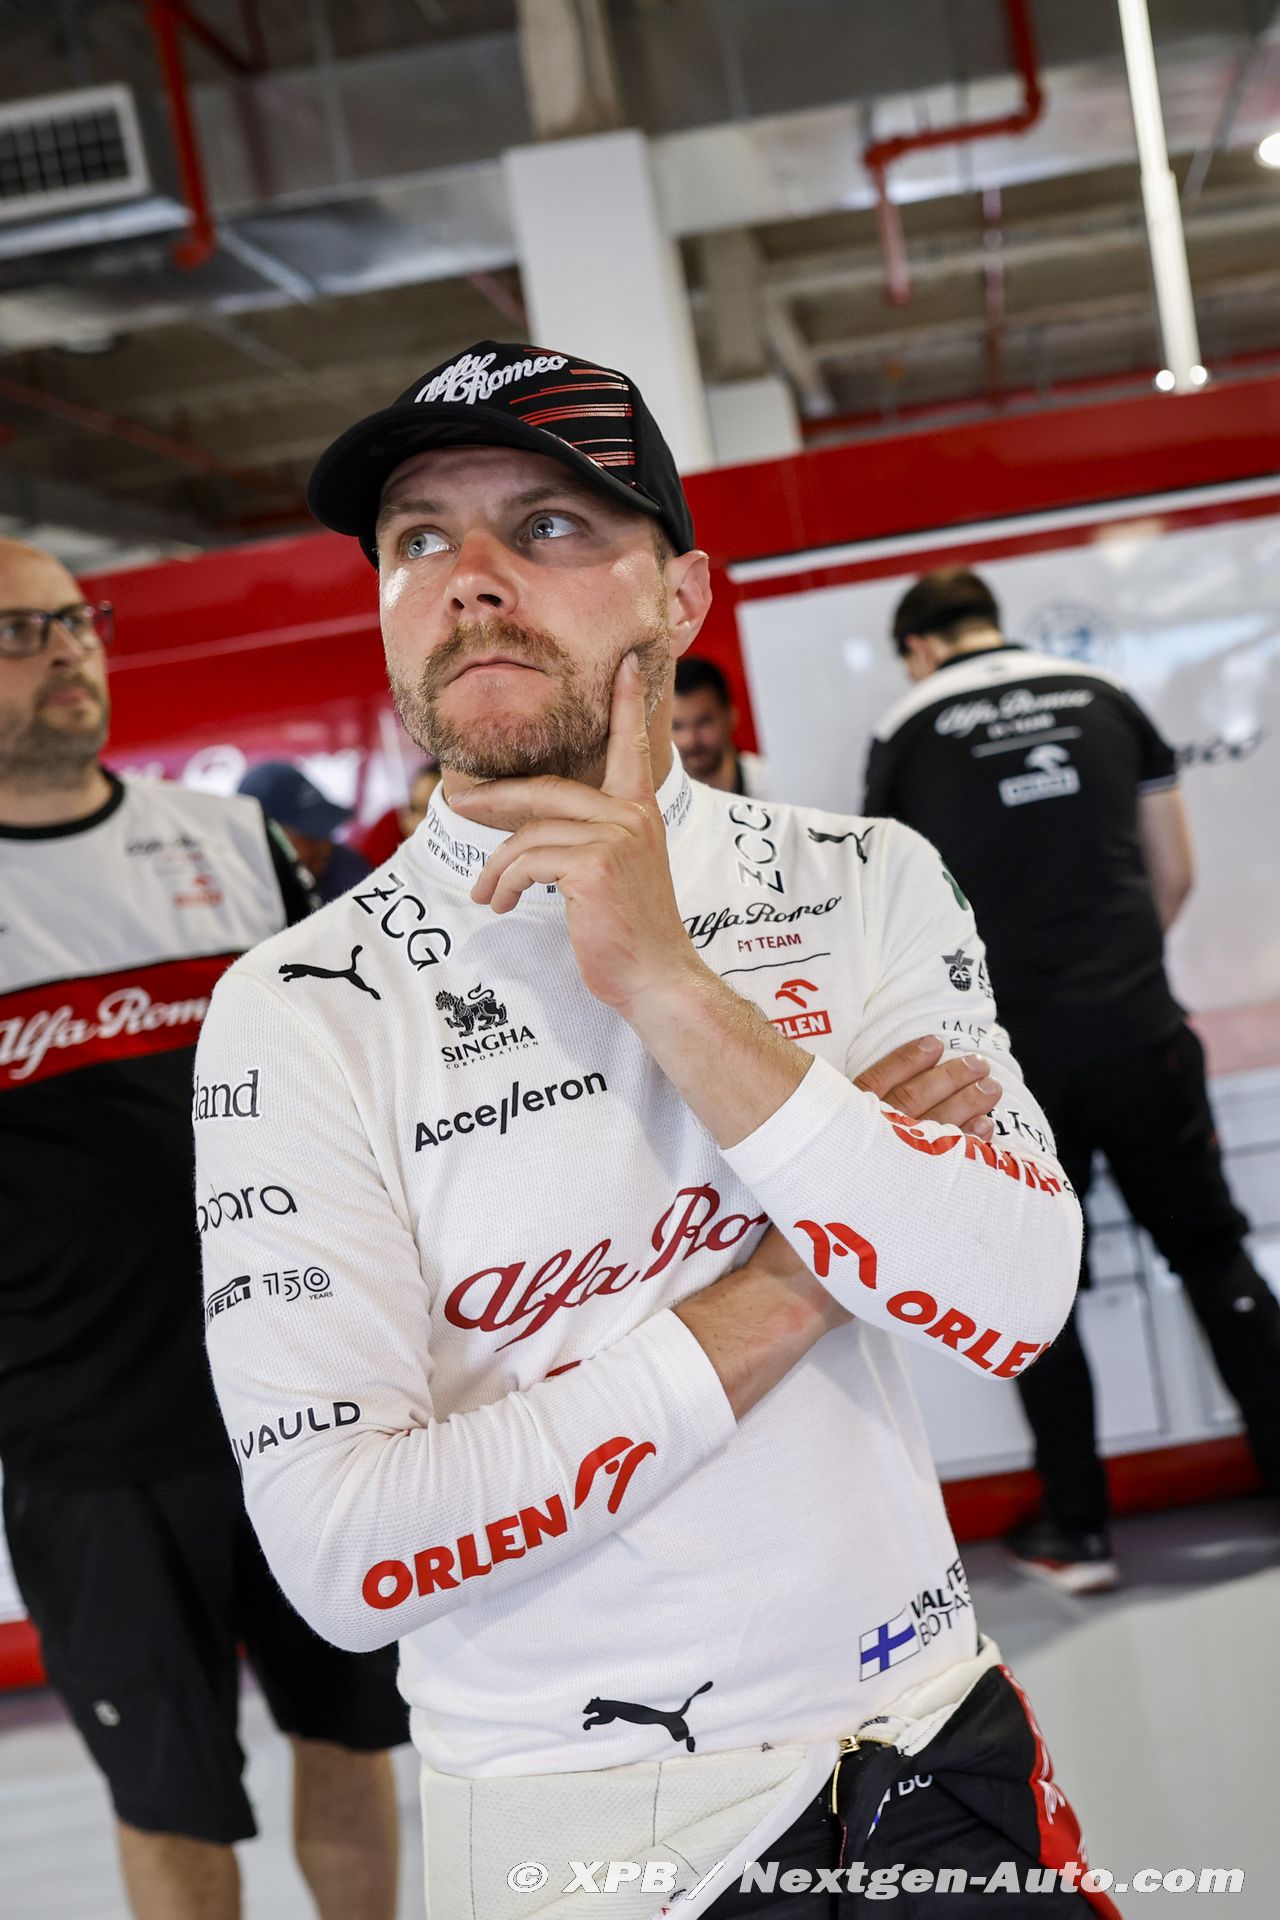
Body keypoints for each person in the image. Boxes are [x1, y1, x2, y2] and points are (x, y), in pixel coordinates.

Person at [195, 342, 1116, 1917]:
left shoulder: (860, 878)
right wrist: (808, 1273)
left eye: (547, 525)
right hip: (585, 1839)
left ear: (681, 594)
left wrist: (671, 985)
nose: (472, 580)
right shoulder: (297, 1010)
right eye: (420, 538)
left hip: (929, 1742)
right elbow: (347, 1558)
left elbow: (1016, 1295)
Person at [0, 539, 409, 1920]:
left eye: (78, 620)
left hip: (302, 1398)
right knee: (168, 1801)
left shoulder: (236, 845)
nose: (68, 650)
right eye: (21, 632)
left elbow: (353, 1083)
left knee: (351, 1742)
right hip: (87, 1450)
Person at [865, 565, 1280, 1596]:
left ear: (917, 648)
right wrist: (1116, 971)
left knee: (1039, 1290)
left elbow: (894, 910)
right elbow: (1174, 871)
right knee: (1213, 1254)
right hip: (1141, 1029)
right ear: (988, 623)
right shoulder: (1106, 697)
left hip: (1015, 1060)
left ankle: (1077, 1533)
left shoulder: (905, 730)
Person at [237, 759, 373, 902]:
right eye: (310, 837)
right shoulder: (234, 895)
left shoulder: (347, 870)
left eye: (326, 830)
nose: (325, 848)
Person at [673, 654, 771, 796]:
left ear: (731, 717)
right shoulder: (654, 799)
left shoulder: (775, 785)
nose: (691, 740)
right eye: (677, 726)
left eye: (703, 722)